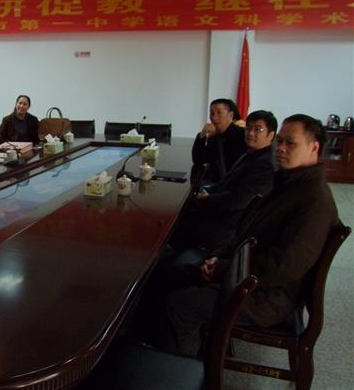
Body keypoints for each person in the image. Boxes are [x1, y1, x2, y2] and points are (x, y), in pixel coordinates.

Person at [133, 114, 338, 351]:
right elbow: (247, 233)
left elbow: (282, 267)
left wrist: (222, 268)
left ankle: (178, 366)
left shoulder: (314, 201)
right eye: (280, 141)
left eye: (290, 143)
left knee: (179, 305)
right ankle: (142, 344)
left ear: (314, 147)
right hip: (240, 273)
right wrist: (218, 258)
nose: (281, 148)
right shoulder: (288, 184)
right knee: (160, 275)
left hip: (263, 296)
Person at [170, 110, 277, 254]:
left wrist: (208, 199)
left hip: (224, 226)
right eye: (248, 128)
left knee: (175, 223)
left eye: (258, 129)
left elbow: (238, 200)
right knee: (179, 213)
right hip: (219, 210)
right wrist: (209, 193)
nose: (251, 133)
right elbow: (226, 182)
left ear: (271, 135)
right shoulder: (252, 154)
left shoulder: (265, 165)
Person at [191, 98, 246, 183]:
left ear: (231, 115)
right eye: (212, 113)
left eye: (219, 113)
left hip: (233, 184)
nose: (214, 117)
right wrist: (202, 136)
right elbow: (198, 160)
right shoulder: (215, 135)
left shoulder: (241, 134)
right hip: (217, 183)